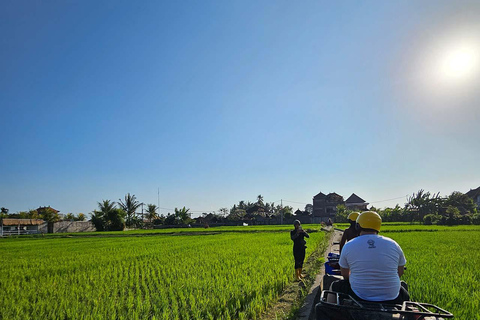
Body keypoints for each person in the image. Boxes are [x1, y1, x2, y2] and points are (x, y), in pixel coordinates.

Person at [331, 211, 409, 304]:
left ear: (357, 226)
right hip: (392, 297)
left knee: (334, 285)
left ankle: (331, 312)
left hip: (359, 296)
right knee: (405, 294)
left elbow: (345, 274)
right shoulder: (393, 244)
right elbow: (400, 272)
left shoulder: (349, 245)